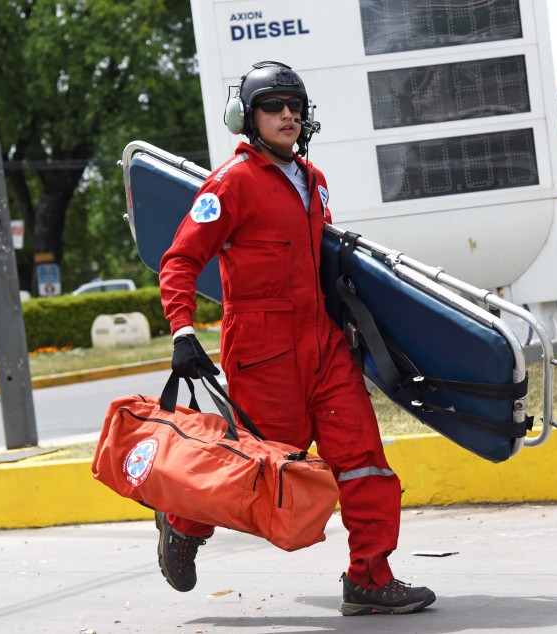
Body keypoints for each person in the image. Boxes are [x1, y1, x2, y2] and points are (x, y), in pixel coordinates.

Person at [156, 61, 436, 617]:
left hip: (325, 347)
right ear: (248, 117)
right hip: (263, 354)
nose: (287, 114)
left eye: (294, 106)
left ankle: (369, 579)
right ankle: (183, 524)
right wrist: (183, 332)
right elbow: (180, 260)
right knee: (256, 473)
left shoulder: (314, 182)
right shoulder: (229, 184)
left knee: (364, 461)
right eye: (272, 106)